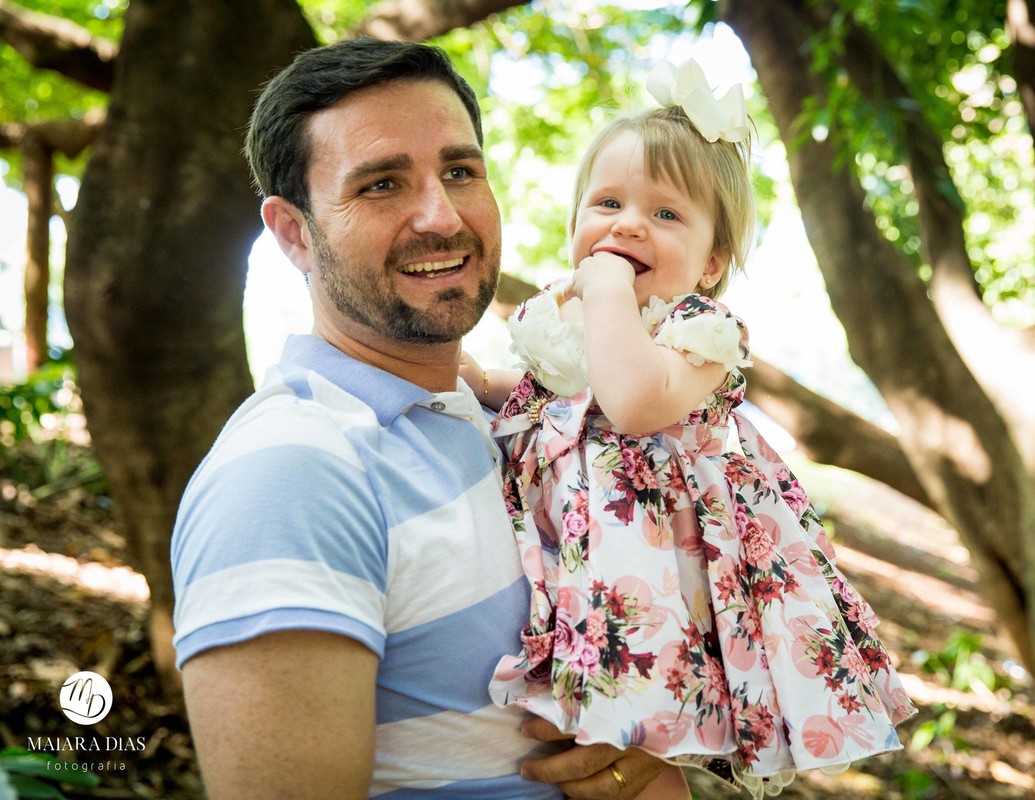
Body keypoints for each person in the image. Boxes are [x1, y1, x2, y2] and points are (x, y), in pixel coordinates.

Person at [170, 38, 668, 799]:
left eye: (460, 172)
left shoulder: (492, 418)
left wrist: (645, 748)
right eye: (382, 185)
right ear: (294, 233)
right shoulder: (290, 473)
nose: (441, 216)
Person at [460, 59, 916, 798]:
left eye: (666, 214)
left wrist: (607, 289)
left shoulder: (699, 330)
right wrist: (489, 383)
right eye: (607, 203)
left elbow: (633, 402)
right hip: (578, 552)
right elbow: (563, 395)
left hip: (659, 562)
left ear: (711, 264)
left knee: (644, 744)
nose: (628, 224)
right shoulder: (570, 317)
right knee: (578, 720)